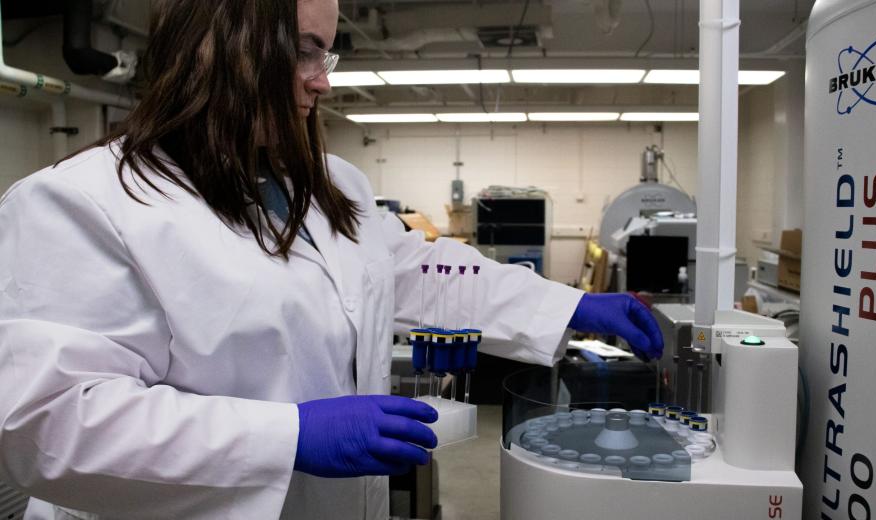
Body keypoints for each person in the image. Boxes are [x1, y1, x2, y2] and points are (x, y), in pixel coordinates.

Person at [0, 0, 663, 518]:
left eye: (329, 54)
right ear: (218, 45)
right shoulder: (81, 203)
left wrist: (567, 304)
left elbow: (414, 270)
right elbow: (50, 424)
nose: (322, 80)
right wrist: (283, 437)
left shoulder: (329, 182)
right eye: (304, 50)